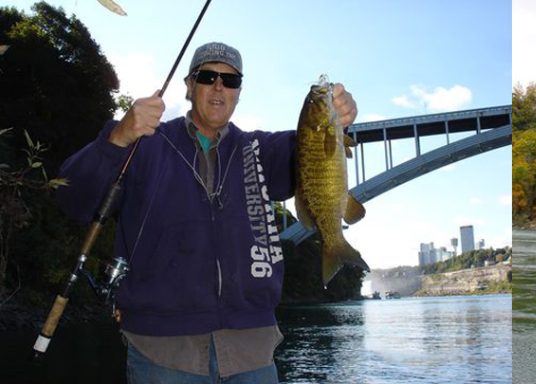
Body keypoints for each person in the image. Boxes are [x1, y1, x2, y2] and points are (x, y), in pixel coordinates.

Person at [55, 42, 357, 383]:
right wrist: (116, 138)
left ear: (239, 92)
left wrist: (339, 117)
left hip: (252, 351)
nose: (219, 87)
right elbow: (72, 199)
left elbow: (312, 148)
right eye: (208, 76)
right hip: (163, 351)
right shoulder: (143, 145)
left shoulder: (261, 151)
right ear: (188, 85)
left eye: (230, 81)